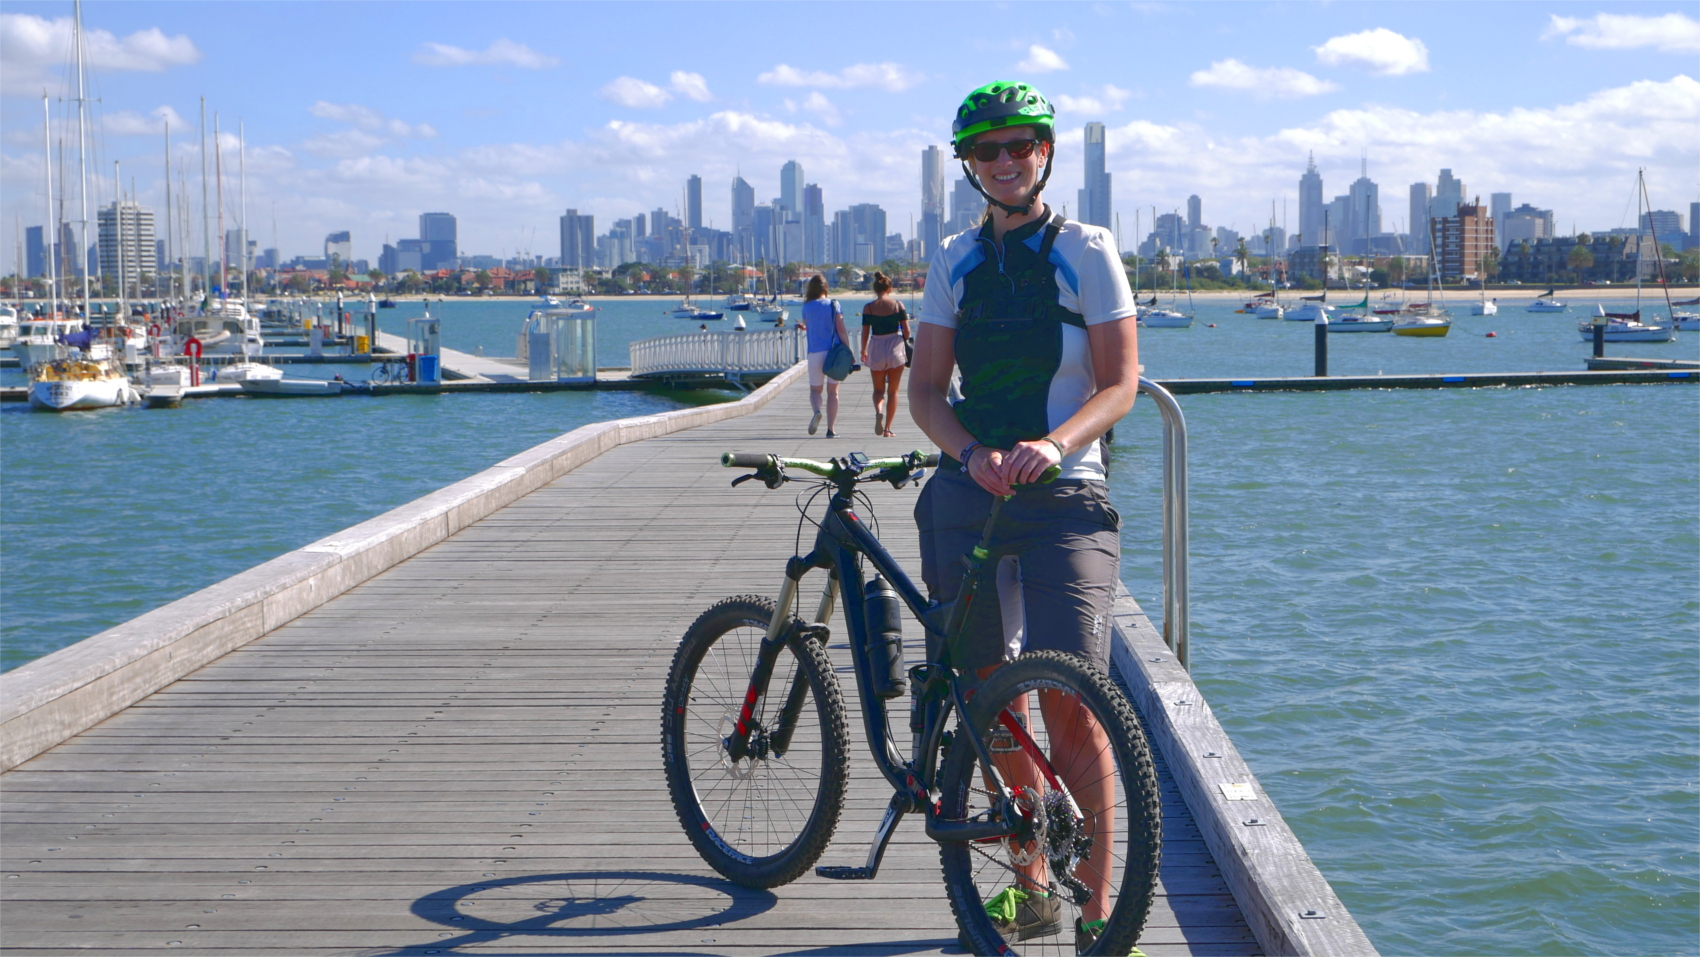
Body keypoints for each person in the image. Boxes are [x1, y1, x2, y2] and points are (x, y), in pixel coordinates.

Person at [908, 81, 1140, 949]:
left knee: (1070, 694)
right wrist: (969, 454)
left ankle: (1098, 907)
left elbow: (1119, 383)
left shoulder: (1088, 250)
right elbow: (927, 391)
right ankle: (1032, 881)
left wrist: (1052, 442)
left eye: (1022, 145)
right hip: (970, 487)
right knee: (981, 694)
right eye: (987, 150)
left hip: (1065, 488)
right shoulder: (952, 260)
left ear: (1046, 153)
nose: (1006, 161)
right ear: (970, 165)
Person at [858, 271, 912, 437]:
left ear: (875, 288)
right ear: (889, 288)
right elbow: (907, 332)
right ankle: (888, 429)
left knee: (878, 390)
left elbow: (865, 332)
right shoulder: (897, 305)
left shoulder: (868, 308)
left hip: (877, 347)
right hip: (895, 348)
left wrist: (863, 350)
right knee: (893, 391)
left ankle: (879, 410)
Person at [799, 274, 849, 438]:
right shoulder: (833, 304)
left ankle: (817, 411)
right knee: (833, 392)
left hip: (814, 353)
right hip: (833, 353)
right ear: (825, 288)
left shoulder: (806, 307)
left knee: (815, 391)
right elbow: (841, 329)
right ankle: (831, 430)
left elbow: (807, 325)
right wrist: (848, 350)